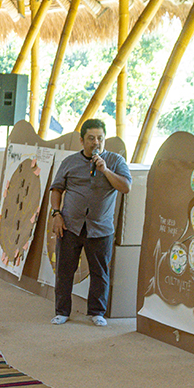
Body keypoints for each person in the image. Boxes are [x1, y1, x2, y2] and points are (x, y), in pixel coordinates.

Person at [49, 118, 131, 327]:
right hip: (70, 225)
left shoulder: (115, 161)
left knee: (100, 272)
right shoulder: (69, 162)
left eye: (100, 138)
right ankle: (62, 311)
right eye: (91, 138)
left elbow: (125, 187)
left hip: (100, 227)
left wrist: (105, 170)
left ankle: (97, 312)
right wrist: (56, 214)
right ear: (82, 140)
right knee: (64, 270)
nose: (96, 142)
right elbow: (57, 189)